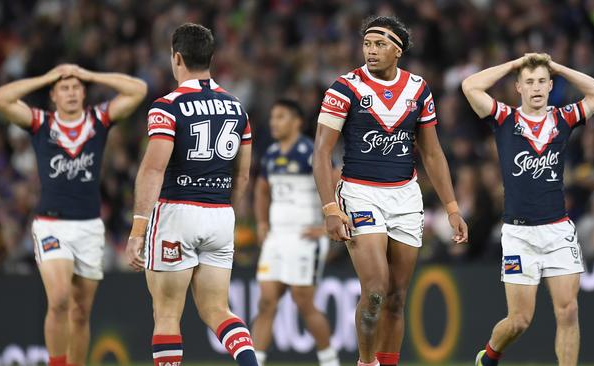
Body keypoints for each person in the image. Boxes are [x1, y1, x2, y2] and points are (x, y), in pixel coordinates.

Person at [312, 15, 468, 366]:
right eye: (367, 43)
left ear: (398, 50)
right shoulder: (344, 88)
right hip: (359, 193)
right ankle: (366, 363)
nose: (371, 50)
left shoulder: (418, 89)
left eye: (379, 44)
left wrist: (452, 207)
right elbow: (321, 152)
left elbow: (431, 151)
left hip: (406, 196)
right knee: (376, 291)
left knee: (397, 297)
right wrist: (329, 209)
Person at [0, 64, 147, 366]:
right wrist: (46, 76)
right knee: (60, 299)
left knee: (80, 312)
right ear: (53, 95)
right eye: (64, 88)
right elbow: (0, 98)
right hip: (52, 224)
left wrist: (92, 74)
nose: (71, 92)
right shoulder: (40, 123)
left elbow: (138, 90)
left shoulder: (97, 120)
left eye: (76, 87)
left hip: (89, 226)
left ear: (85, 92)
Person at [461, 53, 594, 366]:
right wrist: (514, 64)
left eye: (542, 80)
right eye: (529, 82)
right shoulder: (505, 119)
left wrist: (557, 66)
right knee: (519, 320)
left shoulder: (563, 118)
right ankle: (488, 357)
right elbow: (470, 86)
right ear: (519, 87)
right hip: (519, 234)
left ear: (550, 84)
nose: (536, 87)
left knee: (568, 310)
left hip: (558, 230)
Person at [124, 23, 257, 366]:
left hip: (176, 213)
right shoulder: (236, 106)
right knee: (218, 309)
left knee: (167, 314)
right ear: (211, 58)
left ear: (177, 57)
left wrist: (138, 230)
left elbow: (153, 169)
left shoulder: (167, 106)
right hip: (220, 214)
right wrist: (227, 214)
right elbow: (242, 175)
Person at [251, 99, 339, 366]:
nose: (273, 122)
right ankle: (255, 362)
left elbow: (337, 183)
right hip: (277, 237)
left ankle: (329, 360)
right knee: (266, 302)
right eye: (272, 117)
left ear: (297, 122)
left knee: (303, 301)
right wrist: (262, 223)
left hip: (305, 237)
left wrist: (328, 225)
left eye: (281, 117)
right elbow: (262, 189)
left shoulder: (311, 152)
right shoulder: (271, 154)